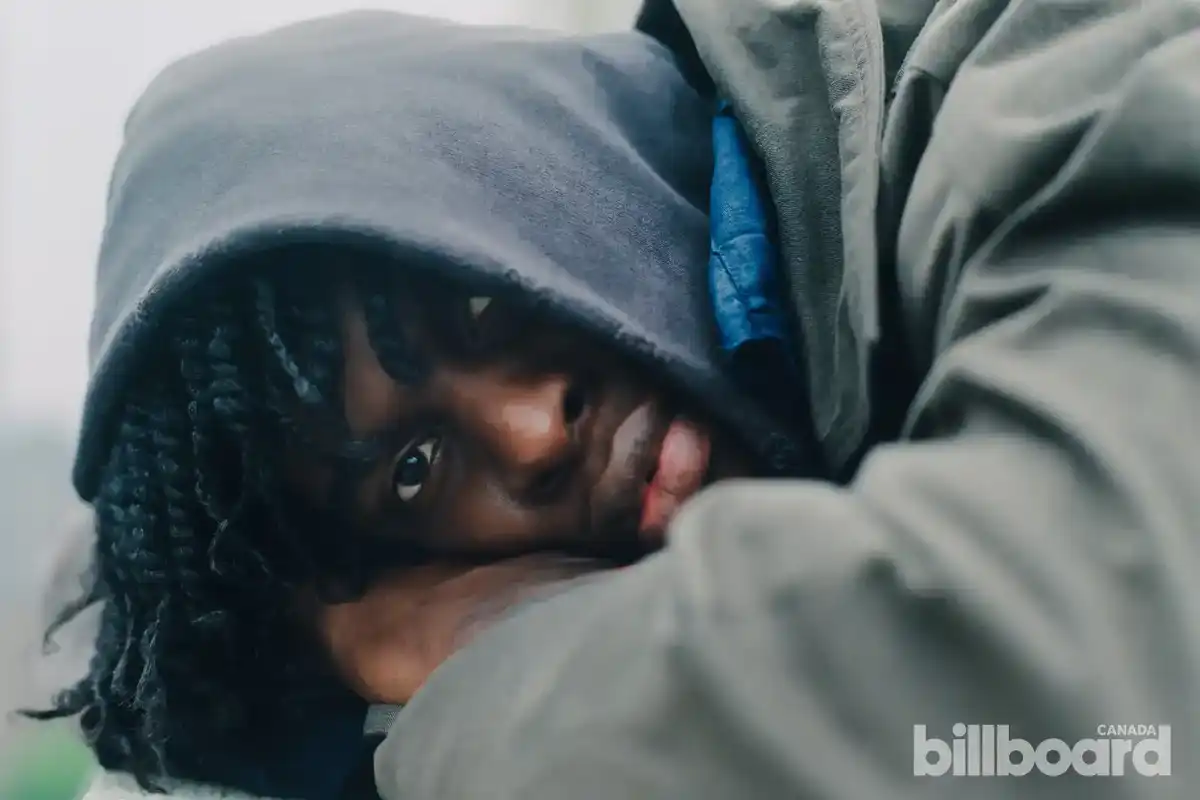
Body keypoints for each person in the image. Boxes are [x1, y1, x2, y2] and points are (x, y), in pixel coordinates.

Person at [37, 10, 806, 800]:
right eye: (416, 469)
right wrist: (355, 635)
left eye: (487, 308)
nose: (535, 435)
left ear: (565, 159)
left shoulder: (877, 154)